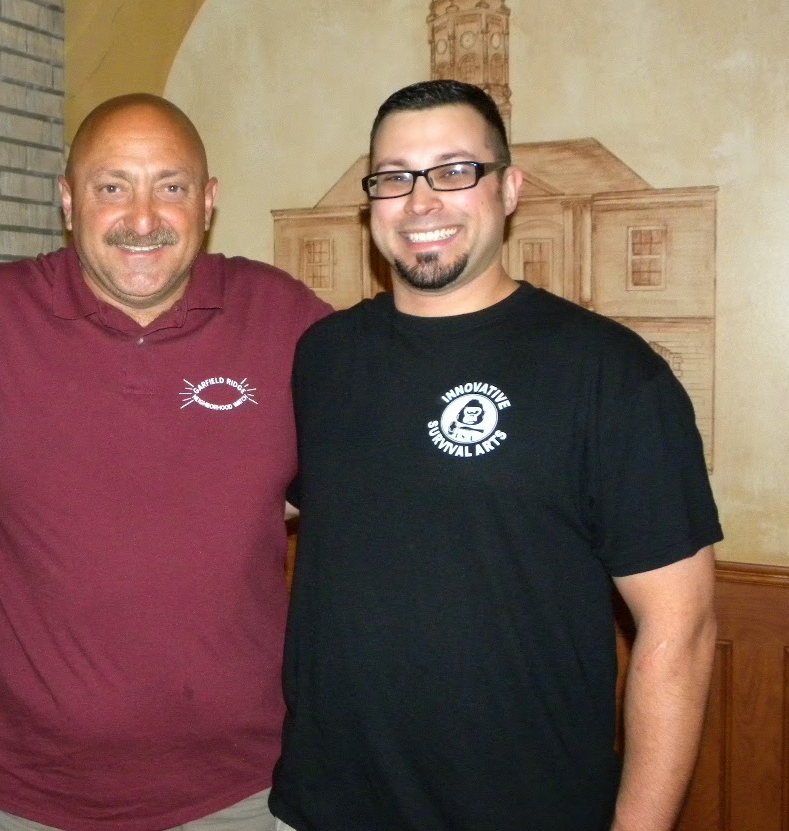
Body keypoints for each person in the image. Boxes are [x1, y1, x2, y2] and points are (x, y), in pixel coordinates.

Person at [271, 79, 722, 831]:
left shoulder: (610, 374)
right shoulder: (324, 357)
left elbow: (683, 632)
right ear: (370, 202)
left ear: (510, 189)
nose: (421, 202)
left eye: (455, 171)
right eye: (394, 177)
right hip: (324, 807)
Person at [0, 94, 332, 831]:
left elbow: (380, 466)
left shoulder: (282, 318)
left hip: (242, 788)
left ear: (208, 201)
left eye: (170, 187)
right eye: (112, 186)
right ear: (68, 200)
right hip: (24, 793)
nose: (143, 219)